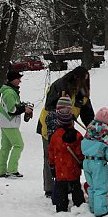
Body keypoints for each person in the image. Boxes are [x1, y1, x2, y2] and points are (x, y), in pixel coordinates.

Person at [38, 67, 94, 197]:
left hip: (68, 128)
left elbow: (87, 113)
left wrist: (94, 127)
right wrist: (64, 114)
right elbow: (50, 106)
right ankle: (51, 188)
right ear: (74, 78)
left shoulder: (82, 93)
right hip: (49, 126)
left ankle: (66, 184)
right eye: (81, 80)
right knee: (51, 156)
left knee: (68, 157)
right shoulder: (59, 86)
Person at [47, 100, 85, 213]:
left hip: (60, 168)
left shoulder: (55, 136)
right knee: (76, 187)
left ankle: (61, 206)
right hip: (73, 168)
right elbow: (80, 151)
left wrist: (52, 165)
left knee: (61, 189)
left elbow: (51, 152)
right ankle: (79, 204)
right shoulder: (77, 135)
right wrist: (81, 161)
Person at [0, 70, 34, 178]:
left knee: (5, 147)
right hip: (10, 123)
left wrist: (22, 106)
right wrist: (24, 109)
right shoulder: (9, 92)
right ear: (13, 80)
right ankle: (12, 170)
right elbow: (12, 110)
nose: (20, 81)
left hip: (5, 123)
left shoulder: (9, 91)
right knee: (19, 145)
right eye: (18, 79)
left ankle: (1, 170)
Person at [81, 108, 108, 217]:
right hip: (98, 163)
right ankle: (100, 210)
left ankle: (92, 207)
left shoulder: (88, 132)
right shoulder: (106, 136)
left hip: (86, 161)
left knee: (91, 186)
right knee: (100, 187)